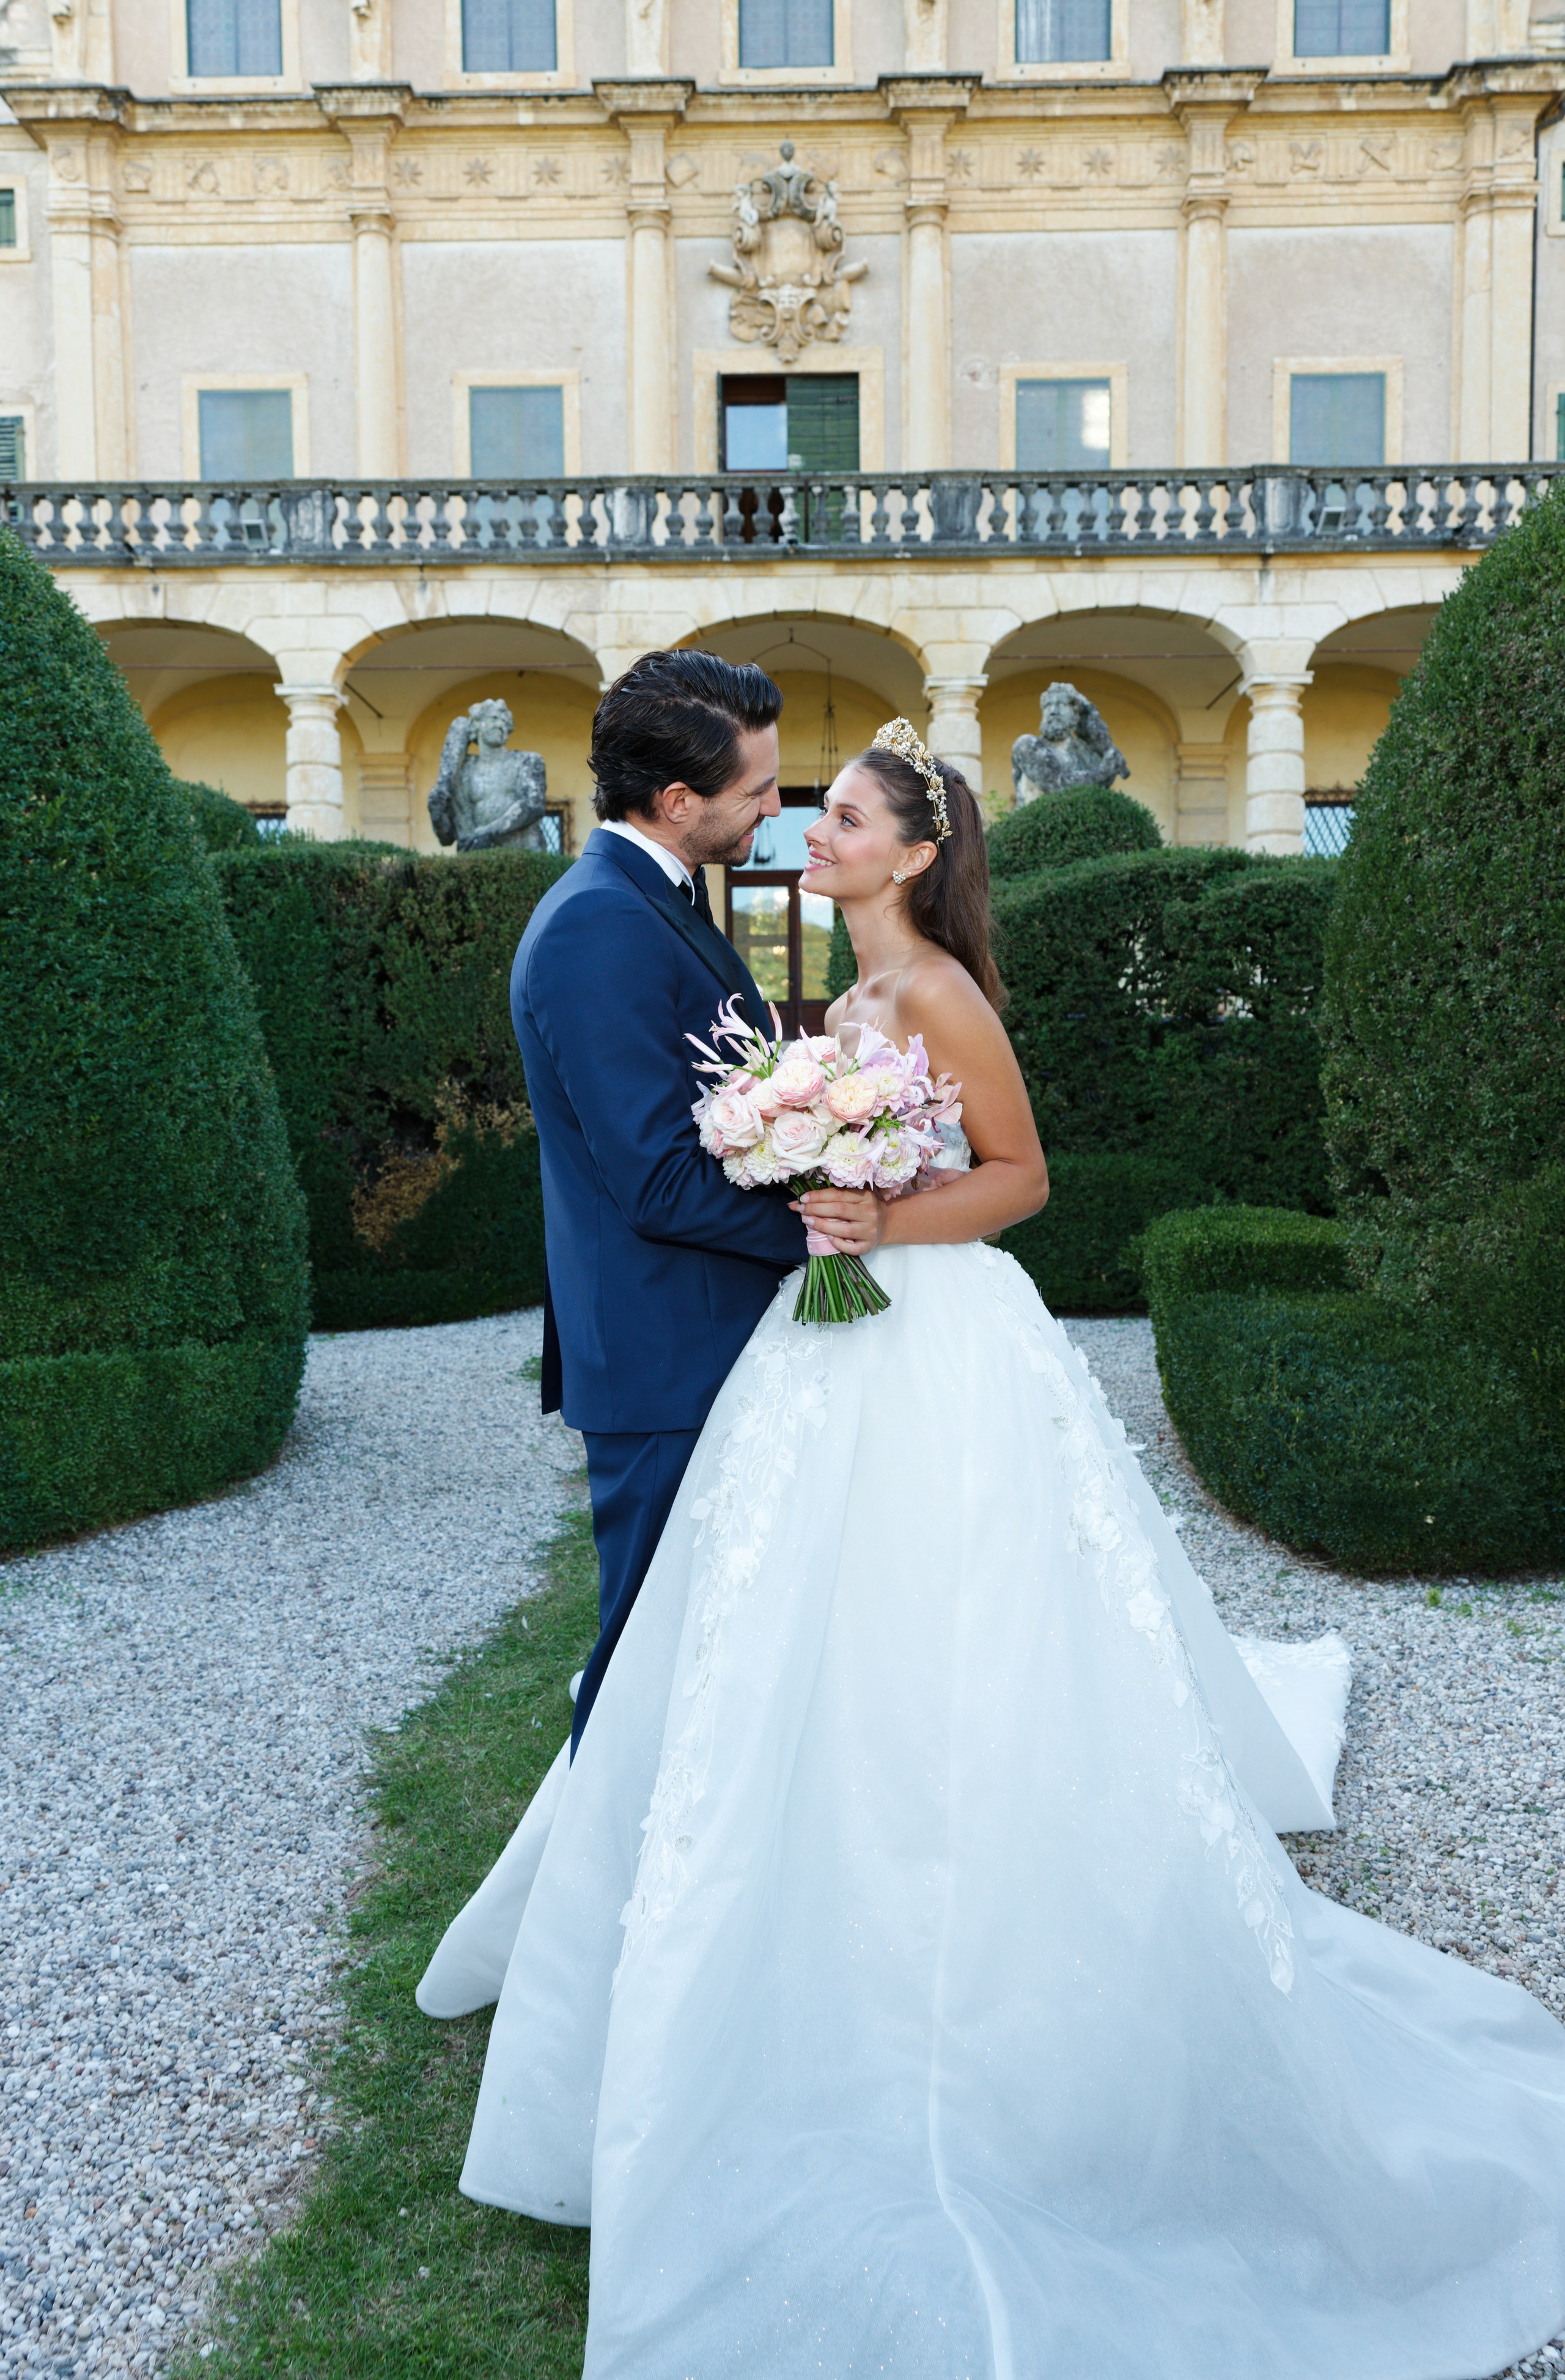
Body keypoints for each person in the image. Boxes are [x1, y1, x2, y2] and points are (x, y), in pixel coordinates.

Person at [419, 720, 1565, 2380]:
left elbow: (1018, 1177)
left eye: (845, 821)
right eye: (807, 813)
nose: (811, 833)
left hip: (940, 1336)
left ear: (909, 854)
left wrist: (878, 1213)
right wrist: (813, 1166)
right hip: (827, 1350)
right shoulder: (839, 1000)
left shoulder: (943, 992)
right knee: (810, 1637)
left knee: (966, 1627)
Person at [508, 648, 808, 1752]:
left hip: (698, 1334)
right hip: (662, 1348)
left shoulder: (656, 898)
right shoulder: (600, 924)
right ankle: (599, 1893)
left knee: (708, 1641)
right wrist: (827, 1228)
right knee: (642, 1654)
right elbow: (655, 1179)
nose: (775, 811)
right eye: (758, 793)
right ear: (678, 800)